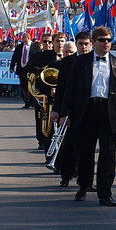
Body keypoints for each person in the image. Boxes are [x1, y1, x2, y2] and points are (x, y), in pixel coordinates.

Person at [60, 27, 116, 207]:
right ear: (94, 42)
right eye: (102, 40)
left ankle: (105, 193)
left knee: (108, 155)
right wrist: (65, 113)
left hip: (108, 113)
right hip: (86, 111)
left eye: (108, 40)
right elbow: (70, 90)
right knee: (84, 153)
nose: (106, 43)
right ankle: (83, 186)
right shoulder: (81, 62)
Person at [50, 31, 92, 186]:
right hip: (70, 109)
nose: (83, 47)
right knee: (68, 144)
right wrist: (57, 110)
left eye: (86, 44)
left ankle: (85, 179)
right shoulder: (67, 63)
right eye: (80, 43)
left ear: (91, 44)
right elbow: (61, 89)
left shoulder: (95, 61)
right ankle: (66, 176)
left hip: (89, 110)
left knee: (87, 147)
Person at [9, 32, 34, 109]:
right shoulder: (19, 47)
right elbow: (14, 57)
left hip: (32, 70)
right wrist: (12, 67)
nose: (22, 39)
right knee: (24, 86)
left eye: (24, 38)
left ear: (28, 38)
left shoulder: (35, 46)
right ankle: (27, 102)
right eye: (22, 38)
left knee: (32, 86)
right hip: (22, 69)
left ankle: (33, 101)